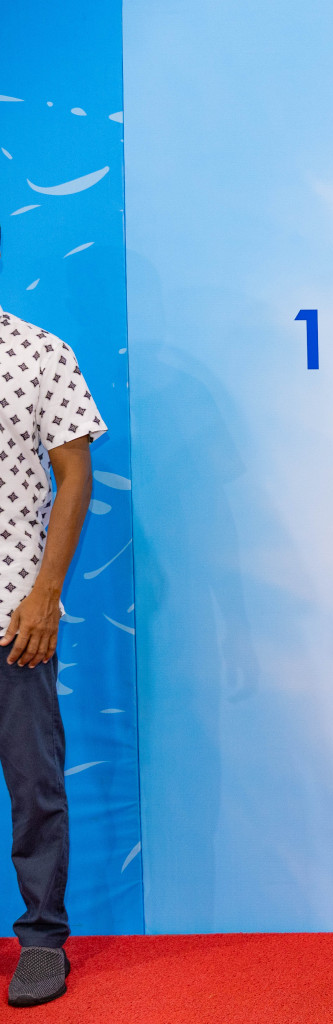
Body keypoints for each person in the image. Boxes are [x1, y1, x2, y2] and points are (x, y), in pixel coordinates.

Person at [0, 294, 106, 1008]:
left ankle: (42, 941)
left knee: (35, 786)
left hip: (14, 617)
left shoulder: (41, 350)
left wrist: (44, 596)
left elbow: (75, 477)